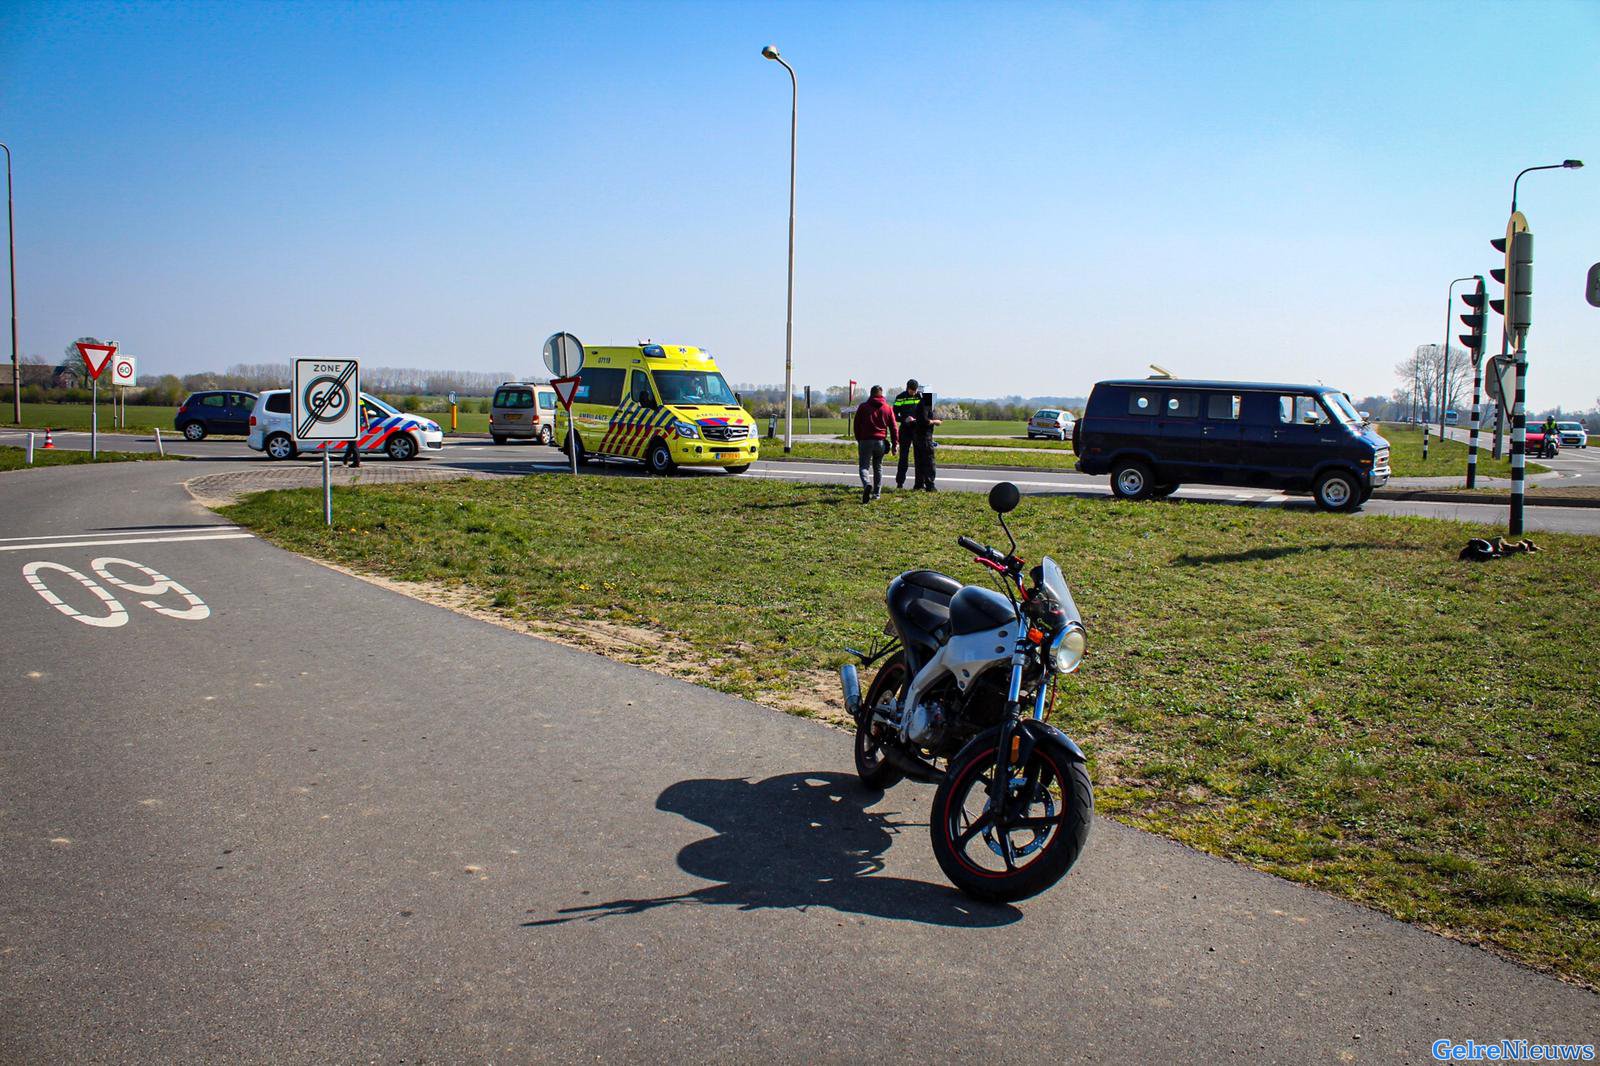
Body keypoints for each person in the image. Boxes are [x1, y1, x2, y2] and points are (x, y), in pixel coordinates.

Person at [852, 385, 898, 503]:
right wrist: (894, 444)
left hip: (865, 441)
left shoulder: (863, 407)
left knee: (864, 466)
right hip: (880, 442)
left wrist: (859, 439)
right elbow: (894, 428)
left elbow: (856, 425)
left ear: (871, 394)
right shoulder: (887, 408)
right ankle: (877, 493)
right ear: (881, 394)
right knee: (878, 467)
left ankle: (867, 484)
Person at [893, 379, 923, 490]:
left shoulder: (921, 396)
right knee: (903, 458)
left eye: (915, 390)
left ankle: (919, 484)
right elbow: (894, 415)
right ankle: (900, 483)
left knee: (919, 457)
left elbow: (929, 411)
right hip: (905, 429)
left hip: (918, 429)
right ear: (907, 388)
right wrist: (904, 419)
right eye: (912, 390)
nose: (914, 392)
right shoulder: (900, 397)